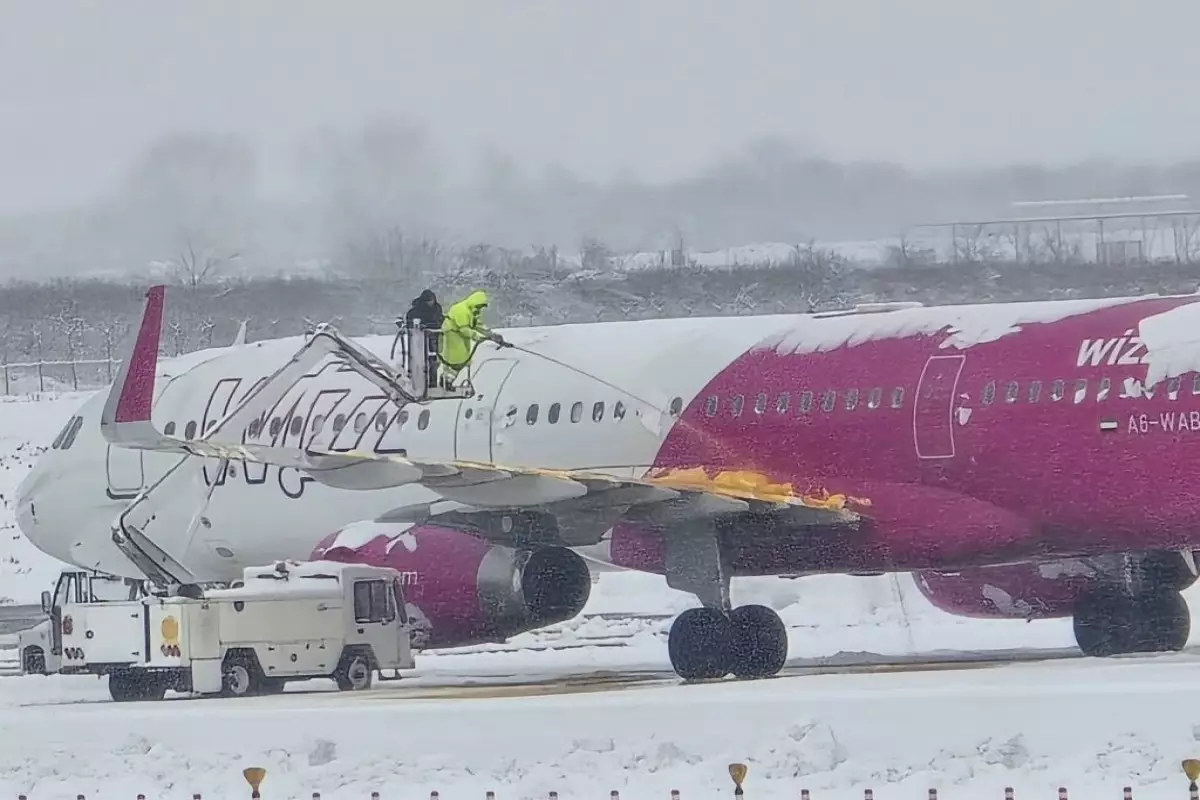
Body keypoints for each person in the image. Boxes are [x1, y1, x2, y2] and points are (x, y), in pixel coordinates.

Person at [439, 289, 510, 387]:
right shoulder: (461, 310)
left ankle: (448, 380)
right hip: (452, 334)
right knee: (457, 359)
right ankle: (446, 380)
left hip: (461, 336)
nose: (480, 309)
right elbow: (464, 329)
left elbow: (478, 325)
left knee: (464, 359)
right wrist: (476, 336)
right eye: (479, 306)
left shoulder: (473, 312)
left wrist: (491, 334)